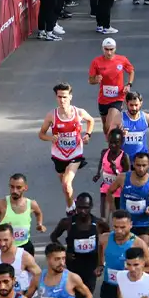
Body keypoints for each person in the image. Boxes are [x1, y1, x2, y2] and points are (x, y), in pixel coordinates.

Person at [38, 83, 96, 213]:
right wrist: (50, 138)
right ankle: (71, 203)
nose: (62, 100)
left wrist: (88, 134)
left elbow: (91, 120)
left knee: (66, 183)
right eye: (59, 97)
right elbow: (41, 134)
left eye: (64, 97)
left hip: (75, 154)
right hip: (58, 155)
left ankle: (70, 209)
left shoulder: (79, 112)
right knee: (65, 187)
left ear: (70, 97)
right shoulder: (51, 115)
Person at [0, 174, 47, 255]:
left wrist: (39, 224)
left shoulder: (31, 204)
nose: (14, 191)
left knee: (29, 267)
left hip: (25, 247)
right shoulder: (0, 204)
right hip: (5, 248)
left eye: (18, 187)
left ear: (25, 188)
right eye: (12, 187)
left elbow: (38, 213)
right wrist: (4, 230)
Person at [90, 38, 136, 133]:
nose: (109, 52)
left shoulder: (122, 59)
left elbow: (131, 71)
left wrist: (129, 84)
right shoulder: (96, 62)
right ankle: (111, 144)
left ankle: (118, 140)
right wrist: (96, 79)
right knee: (105, 127)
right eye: (106, 49)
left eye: (111, 49)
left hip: (118, 98)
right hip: (103, 99)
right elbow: (90, 80)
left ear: (115, 48)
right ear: (103, 49)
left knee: (109, 125)